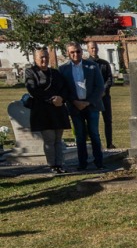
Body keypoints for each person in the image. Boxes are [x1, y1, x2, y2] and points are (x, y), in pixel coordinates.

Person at [58, 42, 105, 170]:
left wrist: (88, 102)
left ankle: (99, 162)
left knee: (94, 134)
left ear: (81, 51)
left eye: (78, 51)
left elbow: (99, 87)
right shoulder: (63, 69)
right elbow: (63, 89)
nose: (75, 54)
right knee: (80, 135)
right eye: (72, 52)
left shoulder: (92, 66)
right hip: (75, 106)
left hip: (91, 105)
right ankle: (82, 163)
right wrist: (74, 101)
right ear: (68, 53)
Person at [24, 47, 71, 173]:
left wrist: (61, 98)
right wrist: (51, 99)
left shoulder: (55, 73)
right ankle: (52, 165)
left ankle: (60, 164)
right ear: (35, 59)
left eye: (46, 57)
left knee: (58, 139)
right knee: (49, 139)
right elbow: (33, 89)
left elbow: (65, 88)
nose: (44, 60)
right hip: (42, 111)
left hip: (58, 109)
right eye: (41, 57)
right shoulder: (31, 72)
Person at [87, 42, 116, 148]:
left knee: (108, 120)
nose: (94, 50)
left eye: (95, 48)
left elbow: (109, 79)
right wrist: (96, 93)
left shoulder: (104, 63)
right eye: (92, 48)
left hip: (105, 96)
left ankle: (109, 143)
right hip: (93, 98)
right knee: (93, 120)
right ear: (88, 49)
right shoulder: (86, 64)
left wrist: (103, 90)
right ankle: (96, 143)